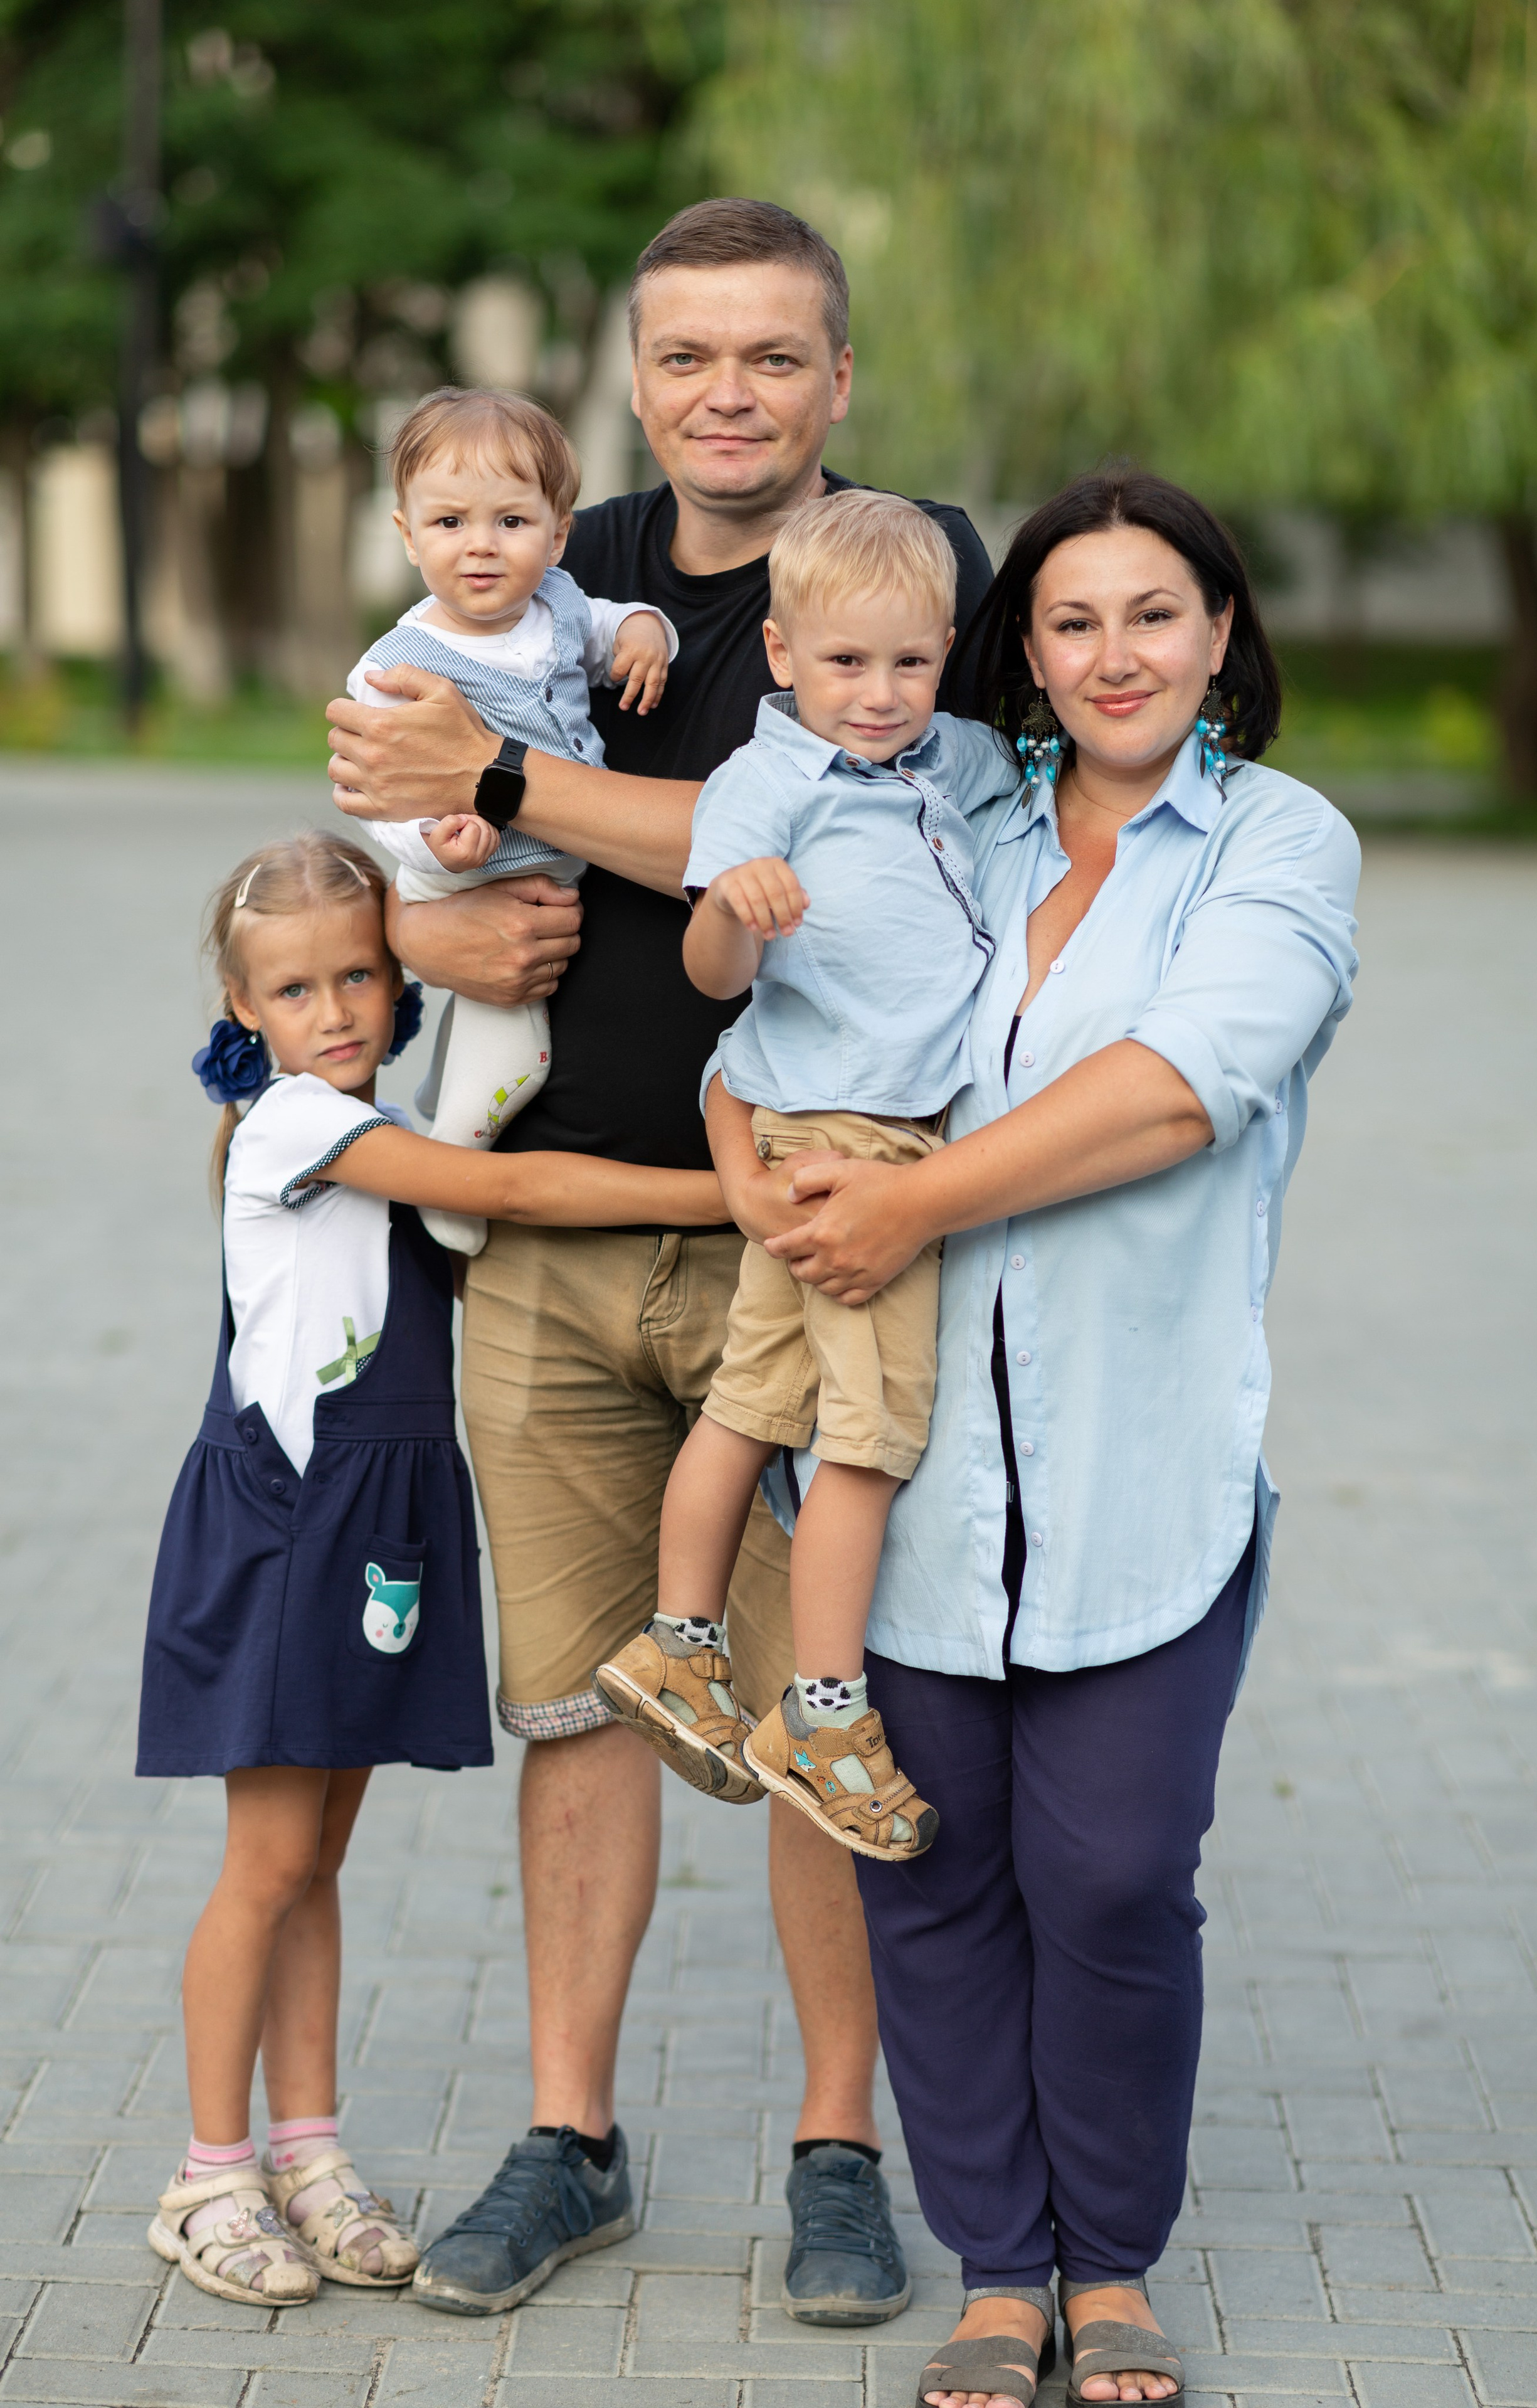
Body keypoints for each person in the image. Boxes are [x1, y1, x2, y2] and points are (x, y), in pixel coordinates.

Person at [325, 198, 993, 2323]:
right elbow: (360, 817)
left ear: (840, 383)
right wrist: (411, 926)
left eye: (775, 358)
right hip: (551, 1240)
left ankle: (833, 2156)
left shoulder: (895, 578)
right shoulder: (546, 547)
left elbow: (744, 825)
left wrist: (517, 779)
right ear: (636, 375)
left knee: (818, 1703)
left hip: (801, 1236)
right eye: (691, 357)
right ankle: (570, 2139)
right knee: (586, 1707)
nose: (731, 395)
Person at [705, 469, 1361, 2405]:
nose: (1112, 656)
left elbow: (1179, 1093)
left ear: (1221, 632)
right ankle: (1004, 2269)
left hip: (1144, 1467)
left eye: (1152, 615)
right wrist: (758, 1156)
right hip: (905, 1465)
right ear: (1031, 656)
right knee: (935, 1874)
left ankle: (1117, 2261)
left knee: (1117, 1876)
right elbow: (775, 951)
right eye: (1071, 624)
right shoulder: (961, 819)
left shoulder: (1275, 844)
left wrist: (914, 1201)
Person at [139, 831, 725, 2310]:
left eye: (357, 973)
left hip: (373, 1532)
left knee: (319, 1865)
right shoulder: (289, 1128)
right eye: (294, 987)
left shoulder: (374, 1113)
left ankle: (310, 2153)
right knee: (264, 1865)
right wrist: (721, 1200)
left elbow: (459, 1232)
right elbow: (507, 1194)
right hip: (286, 1529)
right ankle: (208, 2176)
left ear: (398, 976)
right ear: (242, 1001)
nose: (333, 1009)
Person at [595, 488, 1017, 1864]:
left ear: (945, 649)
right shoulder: (762, 785)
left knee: (755, 1396)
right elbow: (707, 974)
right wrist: (732, 909)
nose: (879, 693)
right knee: (867, 1439)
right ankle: (823, 1714)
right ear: (781, 656)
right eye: (845, 663)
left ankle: (677, 1646)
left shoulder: (953, 760)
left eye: (908, 661)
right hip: (855, 1141)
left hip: (822, 1131)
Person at [347, 385, 677, 1256]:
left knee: (491, 1019)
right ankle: (452, 1167)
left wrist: (647, 633)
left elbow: (613, 629)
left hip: (550, 857)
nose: (481, 547)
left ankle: (435, 1105)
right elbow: (377, 795)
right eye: (449, 524)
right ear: (408, 534)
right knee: (518, 1046)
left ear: (557, 534)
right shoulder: (399, 665)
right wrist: (432, 841)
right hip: (469, 868)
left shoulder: (561, 606)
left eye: (512, 523)